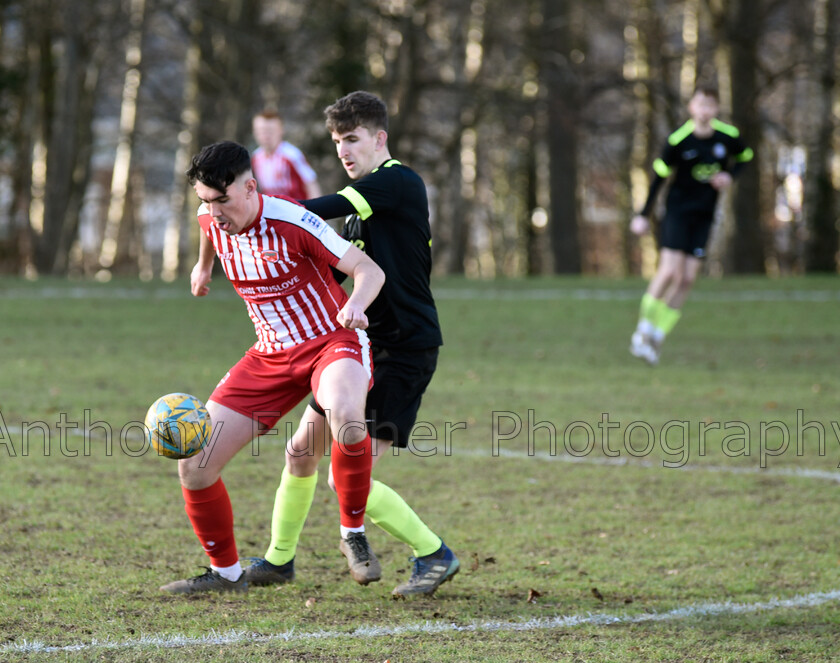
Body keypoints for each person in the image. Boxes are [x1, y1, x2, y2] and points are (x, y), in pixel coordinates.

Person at [243, 91, 459, 598]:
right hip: (359, 348)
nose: (344, 149)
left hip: (404, 349)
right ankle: (279, 561)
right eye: (338, 140)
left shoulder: (398, 183)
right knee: (301, 453)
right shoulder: (367, 203)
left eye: (353, 138)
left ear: (379, 138)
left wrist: (263, 210)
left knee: (347, 480)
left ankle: (434, 554)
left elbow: (325, 209)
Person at [160, 140, 385, 594]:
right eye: (206, 201)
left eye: (223, 200)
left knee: (345, 415)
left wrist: (357, 305)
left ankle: (353, 534)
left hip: (330, 340)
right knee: (195, 466)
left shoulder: (293, 220)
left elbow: (368, 269)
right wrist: (203, 268)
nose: (215, 212)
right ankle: (226, 574)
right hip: (270, 354)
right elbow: (208, 230)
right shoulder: (212, 217)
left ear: (250, 186)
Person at [629, 84, 753, 365]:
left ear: (716, 109)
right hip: (677, 213)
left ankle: (657, 336)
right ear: (692, 108)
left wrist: (729, 176)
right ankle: (642, 329)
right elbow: (658, 177)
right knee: (670, 272)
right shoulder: (678, 140)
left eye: (710, 104)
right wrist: (643, 214)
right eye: (700, 104)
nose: (705, 110)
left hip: (704, 216)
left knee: (687, 279)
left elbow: (746, 157)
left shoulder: (728, 137)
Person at [251, 109, 322, 199]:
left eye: (270, 131)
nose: (266, 136)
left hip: (296, 209)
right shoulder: (256, 157)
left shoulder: (291, 155)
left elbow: (311, 183)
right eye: (261, 131)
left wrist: (315, 210)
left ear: (281, 130)